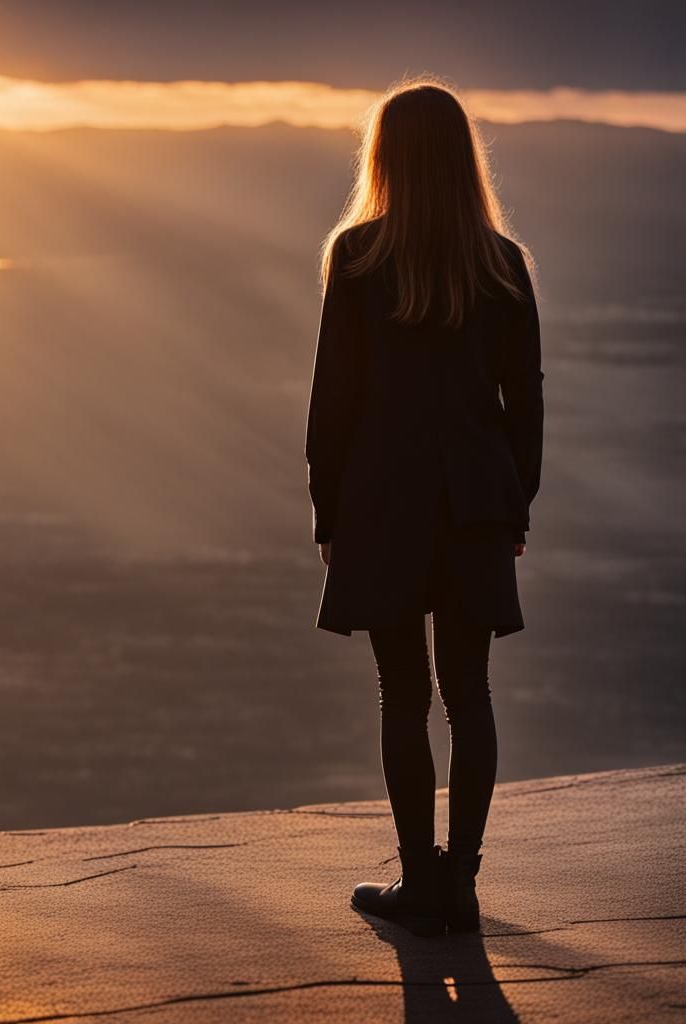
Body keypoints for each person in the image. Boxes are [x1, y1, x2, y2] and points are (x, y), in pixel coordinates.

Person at [303, 77, 544, 937]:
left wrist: (328, 513)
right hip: (478, 501)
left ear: (385, 158)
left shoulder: (359, 256)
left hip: (382, 502)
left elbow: (334, 399)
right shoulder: (502, 263)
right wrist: (515, 505)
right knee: (469, 692)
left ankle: (419, 883)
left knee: (401, 692)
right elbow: (527, 399)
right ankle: (462, 885)